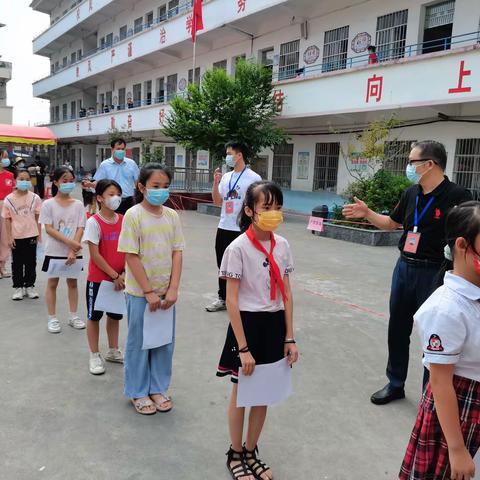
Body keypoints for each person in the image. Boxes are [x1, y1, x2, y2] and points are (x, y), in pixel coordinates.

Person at [343, 140, 472, 405]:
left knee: (434, 334)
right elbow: (392, 223)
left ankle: (431, 391)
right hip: (404, 268)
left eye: (412, 162)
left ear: (429, 164)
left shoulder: (458, 195)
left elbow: (469, 235)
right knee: (398, 328)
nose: (408, 167)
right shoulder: (411, 193)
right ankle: (395, 383)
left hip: (435, 272)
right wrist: (367, 212)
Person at [216, 181, 298, 480]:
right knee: (242, 392)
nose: (273, 213)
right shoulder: (237, 248)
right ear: (250, 211)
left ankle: (252, 451)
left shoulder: (283, 245)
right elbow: (233, 301)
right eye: (267, 208)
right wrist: (244, 348)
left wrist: (290, 336)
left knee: (263, 393)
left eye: (277, 207)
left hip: (274, 325)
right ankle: (235, 453)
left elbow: (287, 294)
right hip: (247, 327)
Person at [399, 201, 480, 480]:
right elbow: (440, 381)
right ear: (462, 245)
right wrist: (456, 449)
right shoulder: (446, 308)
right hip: (459, 409)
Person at [118, 163, 184, 415]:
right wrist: (147, 291)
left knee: (163, 342)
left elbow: (177, 252)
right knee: (139, 343)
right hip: (139, 294)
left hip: (166, 294)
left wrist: (173, 288)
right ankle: (137, 391)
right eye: (156, 186)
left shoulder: (172, 216)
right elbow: (131, 256)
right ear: (141, 187)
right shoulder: (133, 216)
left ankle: (158, 388)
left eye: (165, 186)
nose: (161, 191)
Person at [206, 141, 262, 312]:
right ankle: (223, 298)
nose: (227, 157)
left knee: (245, 265)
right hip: (224, 226)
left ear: (239, 155)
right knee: (222, 264)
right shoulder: (226, 177)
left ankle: (245, 298)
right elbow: (217, 201)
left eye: (230, 153)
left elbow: (258, 203)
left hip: (243, 228)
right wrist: (215, 182)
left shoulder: (254, 178)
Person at [82, 179, 125, 375]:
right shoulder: (94, 222)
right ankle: (94, 355)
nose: (115, 198)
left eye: (118, 193)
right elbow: (95, 255)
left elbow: (130, 250)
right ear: (99, 198)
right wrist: (115, 275)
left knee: (115, 316)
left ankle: (113, 350)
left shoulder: (124, 220)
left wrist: (123, 274)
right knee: (94, 317)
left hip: (120, 279)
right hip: (100, 279)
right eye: (110, 194)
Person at [39, 166, 86, 334]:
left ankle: (73, 316)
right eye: (64, 181)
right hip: (54, 251)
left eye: (71, 181)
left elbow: (81, 227)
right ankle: (52, 318)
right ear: (56, 182)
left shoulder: (79, 204)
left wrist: (73, 249)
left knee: (72, 283)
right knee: (52, 283)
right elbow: (49, 229)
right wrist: (70, 243)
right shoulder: (48, 204)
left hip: (74, 252)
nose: (68, 184)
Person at [2, 168, 42, 301]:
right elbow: (7, 219)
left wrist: (38, 234)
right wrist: (9, 236)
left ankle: (29, 286)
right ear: (15, 181)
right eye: (21, 179)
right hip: (16, 236)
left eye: (27, 179)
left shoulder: (35, 198)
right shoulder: (9, 199)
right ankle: (18, 288)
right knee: (17, 263)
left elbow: (37, 217)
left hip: (31, 235)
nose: (24, 182)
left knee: (31, 262)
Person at [86, 138, 139, 215]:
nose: (121, 151)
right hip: (110, 201)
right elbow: (98, 182)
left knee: (127, 224)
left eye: (123, 149)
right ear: (112, 149)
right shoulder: (105, 165)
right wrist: (91, 185)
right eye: (118, 149)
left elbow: (138, 181)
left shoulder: (131, 164)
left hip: (128, 201)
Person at [0, 150, 15, 278]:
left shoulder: (9, 175)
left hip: (6, 206)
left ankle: (2, 265)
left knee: (5, 237)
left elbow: (15, 192)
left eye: (6, 157)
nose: (6, 159)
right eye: (4, 156)